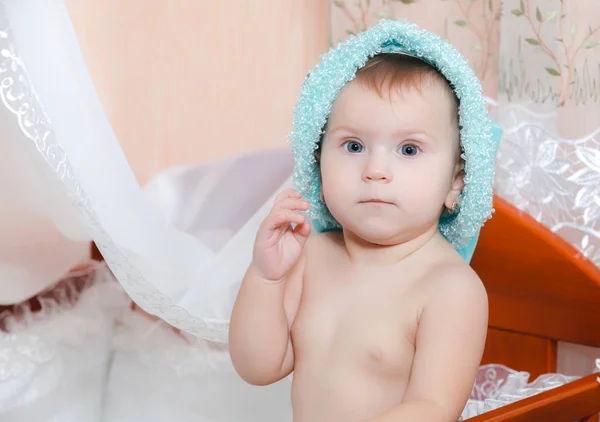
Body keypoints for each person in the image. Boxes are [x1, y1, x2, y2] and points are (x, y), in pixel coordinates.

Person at [229, 20, 499, 422]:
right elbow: (257, 368)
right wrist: (266, 279)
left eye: (408, 149)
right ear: (317, 167)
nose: (375, 169)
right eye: (353, 145)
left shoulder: (450, 288)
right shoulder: (312, 257)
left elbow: (433, 408)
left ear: (456, 182)